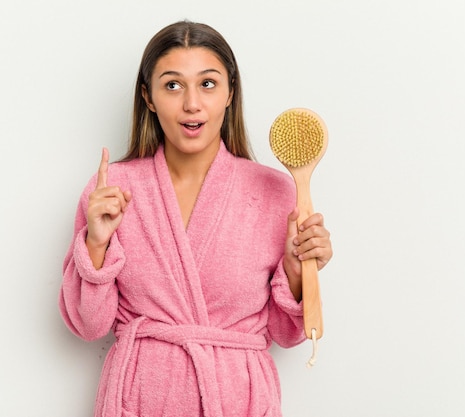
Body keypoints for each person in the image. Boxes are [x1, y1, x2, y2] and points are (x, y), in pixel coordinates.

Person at [59, 20, 333, 417]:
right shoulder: (112, 190)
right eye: (172, 85)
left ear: (229, 93)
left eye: (207, 84)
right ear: (148, 97)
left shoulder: (276, 193)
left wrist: (296, 268)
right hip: (140, 401)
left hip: (238, 401)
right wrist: (96, 244)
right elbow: (89, 326)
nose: (192, 104)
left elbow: (285, 334)